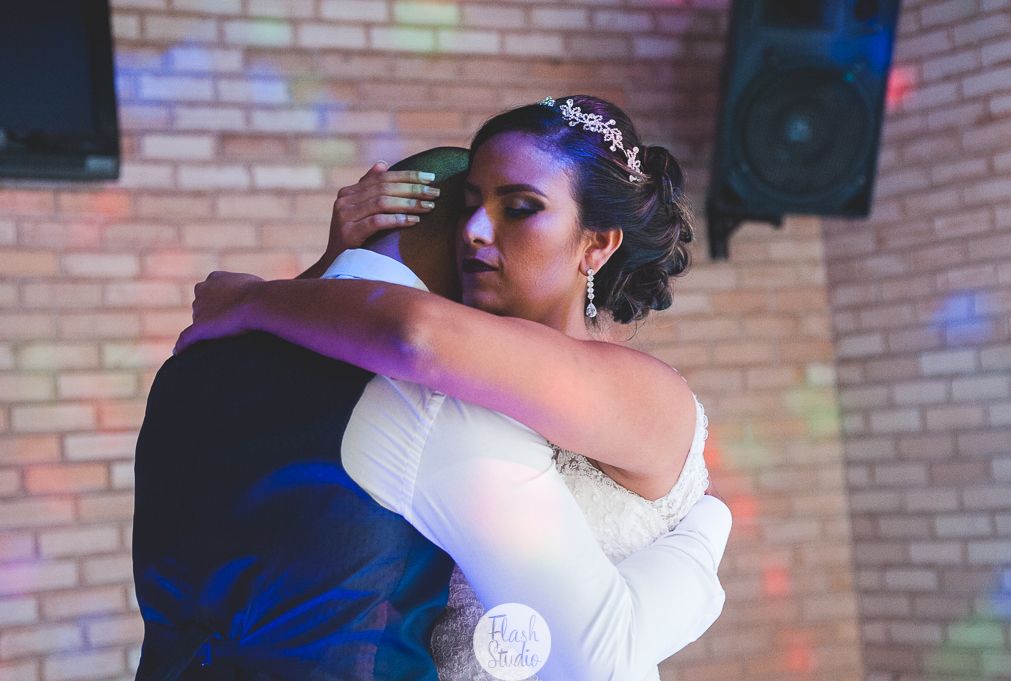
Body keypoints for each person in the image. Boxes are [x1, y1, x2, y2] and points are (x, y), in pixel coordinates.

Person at [177, 96, 728, 681]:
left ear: (596, 244)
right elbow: (300, 407)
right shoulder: (435, 388)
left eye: (519, 208)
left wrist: (252, 297)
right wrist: (338, 259)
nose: (473, 231)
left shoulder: (644, 391)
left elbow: (418, 334)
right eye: (469, 205)